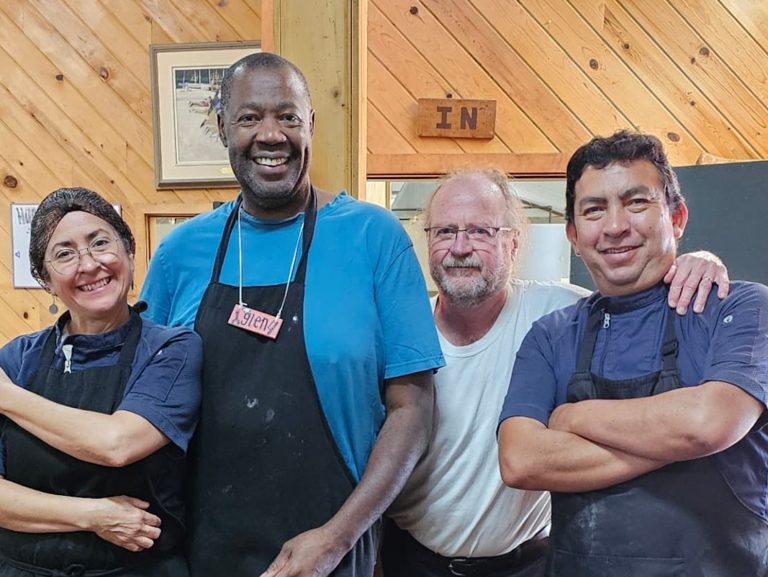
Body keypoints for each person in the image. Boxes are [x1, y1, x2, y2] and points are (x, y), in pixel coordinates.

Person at [139, 52, 444, 577]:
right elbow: (144, 407)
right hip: (199, 548)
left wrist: (337, 538)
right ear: (221, 128)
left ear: (311, 125)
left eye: (288, 116)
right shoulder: (179, 251)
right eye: (249, 118)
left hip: (334, 549)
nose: (271, 135)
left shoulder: (374, 238)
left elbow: (413, 409)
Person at [380, 168, 729, 577]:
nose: (459, 247)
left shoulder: (561, 317)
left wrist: (700, 262)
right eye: (444, 232)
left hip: (530, 563)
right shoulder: (398, 331)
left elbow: (639, 293)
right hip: (412, 560)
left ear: (512, 243)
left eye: (480, 231)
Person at [498, 130, 768, 576]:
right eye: (593, 210)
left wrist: (572, 419)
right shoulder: (551, 335)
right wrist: (675, 434)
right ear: (574, 234)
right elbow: (521, 460)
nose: (615, 226)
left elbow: (706, 424)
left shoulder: (742, 308)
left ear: (677, 218)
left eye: (636, 202)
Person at [0, 187, 202, 576]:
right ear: (45, 280)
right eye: (64, 254)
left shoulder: (171, 349)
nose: (89, 264)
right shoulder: (16, 359)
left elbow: (117, 444)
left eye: (100, 243)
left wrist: (6, 397)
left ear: (129, 252)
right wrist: (93, 515)